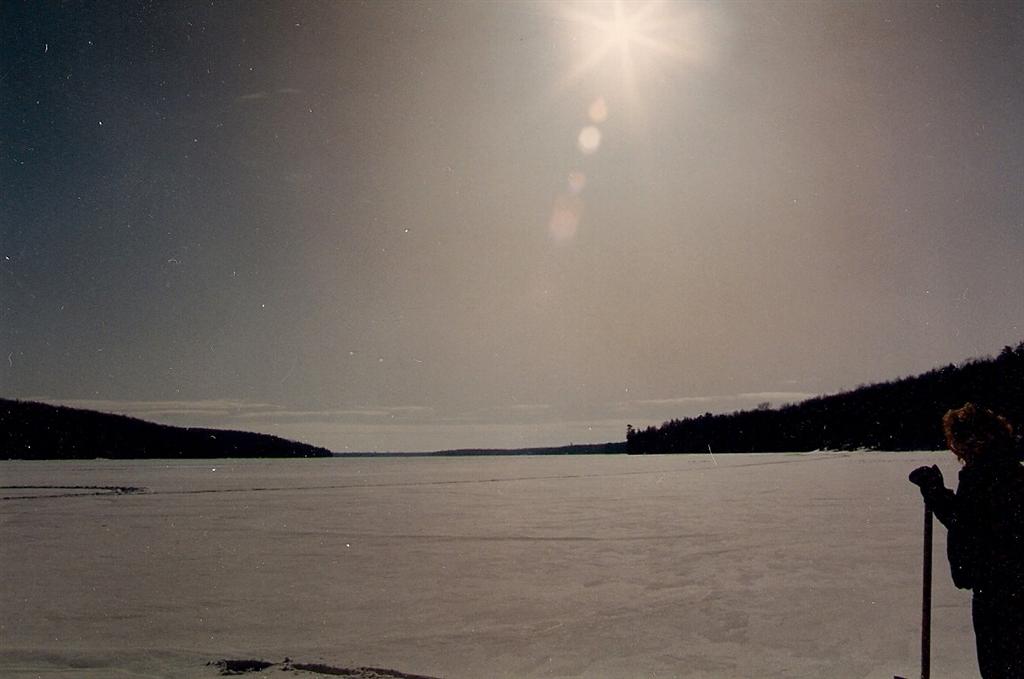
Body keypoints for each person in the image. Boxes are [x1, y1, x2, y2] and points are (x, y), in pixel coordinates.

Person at [909, 403, 1024, 679]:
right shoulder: (1005, 467)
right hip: (1004, 587)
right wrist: (938, 493)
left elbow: (968, 524)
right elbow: (971, 519)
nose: (956, 449)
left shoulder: (987, 473)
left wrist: (935, 492)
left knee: (1001, 668)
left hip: (999, 591)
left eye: (957, 440)